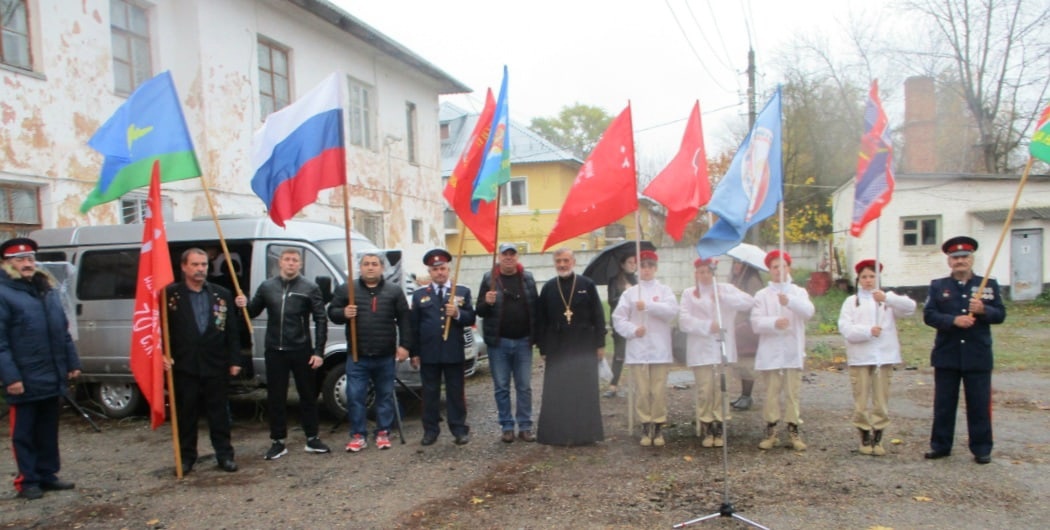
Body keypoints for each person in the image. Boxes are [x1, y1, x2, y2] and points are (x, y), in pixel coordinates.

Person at [0, 237, 81, 500]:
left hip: (51, 374)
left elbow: (63, 330)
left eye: (30, 259)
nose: (27, 264)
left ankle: (47, 475)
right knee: (24, 432)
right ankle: (27, 481)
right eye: (20, 260)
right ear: (6, 264)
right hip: (23, 377)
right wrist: (10, 377)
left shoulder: (46, 289)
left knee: (48, 430)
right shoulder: (3, 293)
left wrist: (71, 363)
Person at [235, 248, 330, 460]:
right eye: (287, 259)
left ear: (300, 264)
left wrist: (318, 352)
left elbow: (321, 319)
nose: (290, 263)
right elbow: (251, 312)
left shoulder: (309, 287)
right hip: (274, 350)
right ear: (280, 263)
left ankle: (312, 438)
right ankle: (278, 441)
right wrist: (243, 305)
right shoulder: (267, 286)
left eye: (295, 260)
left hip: (301, 349)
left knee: (308, 395)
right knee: (276, 397)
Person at [923, 236, 1005, 464]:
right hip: (947, 354)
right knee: (944, 404)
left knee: (979, 404)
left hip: (977, 355)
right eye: (955, 258)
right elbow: (929, 315)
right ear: (949, 261)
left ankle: (981, 448)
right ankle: (940, 445)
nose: (960, 261)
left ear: (972, 259)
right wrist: (953, 321)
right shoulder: (938, 286)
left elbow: (1000, 314)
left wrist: (983, 310)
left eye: (964, 257)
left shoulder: (987, 284)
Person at [163, 248, 242, 474]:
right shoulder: (170, 296)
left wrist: (235, 359)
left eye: (204, 265)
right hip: (184, 365)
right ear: (184, 267)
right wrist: (161, 354)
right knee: (186, 415)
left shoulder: (221, 294)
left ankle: (224, 456)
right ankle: (187, 458)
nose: (200, 269)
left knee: (219, 415)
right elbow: (160, 330)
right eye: (196, 265)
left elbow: (232, 331)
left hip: (215, 364)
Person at [329, 253, 412, 452]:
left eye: (375, 264)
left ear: (382, 268)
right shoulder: (347, 290)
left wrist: (405, 346)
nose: (370, 267)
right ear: (361, 268)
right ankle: (358, 435)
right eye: (366, 264)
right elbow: (332, 312)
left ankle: (383, 432)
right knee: (355, 396)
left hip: (385, 355)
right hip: (358, 355)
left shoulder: (393, 291)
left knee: (384, 396)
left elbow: (405, 320)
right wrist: (343, 313)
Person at [838, 260, 916, 456]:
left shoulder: (887, 301)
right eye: (864, 277)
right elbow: (845, 328)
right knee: (861, 398)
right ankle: (864, 434)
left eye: (872, 276)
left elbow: (910, 308)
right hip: (860, 357)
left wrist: (888, 298)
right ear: (858, 280)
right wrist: (867, 331)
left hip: (884, 356)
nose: (868, 280)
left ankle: (878, 435)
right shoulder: (851, 302)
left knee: (881, 399)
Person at [678, 258, 754, 448]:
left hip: (723, 349)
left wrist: (724, 298)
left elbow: (748, 302)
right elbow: (684, 321)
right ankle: (706, 423)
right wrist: (705, 326)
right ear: (695, 273)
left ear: (714, 273)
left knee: (722, 388)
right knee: (705, 389)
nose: (704, 276)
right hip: (700, 349)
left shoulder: (726, 289)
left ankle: (719, 423)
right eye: (700, 272)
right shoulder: (689, 294)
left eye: (708, 272)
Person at [535, 248, 606, 446]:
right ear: (554, 263)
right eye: (559, 261)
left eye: (566, 260)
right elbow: (541, 321)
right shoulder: (549, 288)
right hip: (557, 346)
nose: (562, 264)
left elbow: (598, 316)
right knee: (558, 390)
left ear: (573, 262)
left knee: (583, 389)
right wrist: (543, 348)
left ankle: (585, 434)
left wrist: (600, 344)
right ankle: (558, 434)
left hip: (583, 344)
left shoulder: (587, 284)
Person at [612, 249, 677, 447]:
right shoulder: (630, 293)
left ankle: (658, 424)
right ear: (638, 268)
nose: (646, 270)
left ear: (655, 268)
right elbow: (618, 319)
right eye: (642, 266)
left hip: (659, 348)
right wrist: (633, 330)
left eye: (650, 266)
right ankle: (645, 423)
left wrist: (648, 305)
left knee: (657, 390)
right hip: (639, 349)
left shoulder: (664, 291)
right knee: (642, 390)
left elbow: (672, 312)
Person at [750, 250, 814, 451]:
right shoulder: (762, 295)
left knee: (792, 393)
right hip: (770, 353)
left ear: (789, 268)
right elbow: (755, 322)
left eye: (783, 266)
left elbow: (808, 312)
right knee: (771, 393)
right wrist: (773, 322)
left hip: (792, 351)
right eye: (775, 267)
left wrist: (790, 302)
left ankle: (794, 430)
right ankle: (771, 431)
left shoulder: (798, 292)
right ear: (769, 270)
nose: (779, 270)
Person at [410, 249, 475, 446]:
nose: (440, 272)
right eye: (435, 269)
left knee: (456, 393)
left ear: (449, 270)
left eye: (443, 268)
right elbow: (414, 326)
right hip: (429, 353)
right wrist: (414, 352)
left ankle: (459, 429)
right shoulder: (420, 294)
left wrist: (456, 314)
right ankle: (430, 431)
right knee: (430, 394)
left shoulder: (461, 291)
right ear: (429, 272)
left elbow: (470, 317)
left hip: (453, 351)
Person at [475, 243, 539, 443]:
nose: (509, 258)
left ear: (517, 257)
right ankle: (507, 426)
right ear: (499, 257)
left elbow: (535, 308)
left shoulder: (527, 278)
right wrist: (487, 302)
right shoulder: (489, 279)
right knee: (501, 386)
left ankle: (526, 426)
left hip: (523, 342)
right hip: (499, 343)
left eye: (512, 254)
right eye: (505, 254)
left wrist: (536, 336)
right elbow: (479, 311)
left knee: (524, 386)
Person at [729, 258, 764, 410]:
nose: (736, 266)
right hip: (735, 327)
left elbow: (756, 303)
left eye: (740, 263)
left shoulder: (752, 280)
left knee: (747, 362)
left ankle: (747, 395)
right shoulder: (735, 280)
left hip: (747, 327)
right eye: (735, 263)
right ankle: (742, 395)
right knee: (739, 363)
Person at [604, 254, 637, 398]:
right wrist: (626, 293)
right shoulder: (614, 280)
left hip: (636, 323)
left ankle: (638, 385)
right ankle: (613, 385)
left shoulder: (637, 280)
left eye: (634, 263)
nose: (633, 265)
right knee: (619, 353)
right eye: (630, 262)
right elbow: (612, 301)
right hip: (620, 323)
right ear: (622, 264)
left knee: (637, 354)